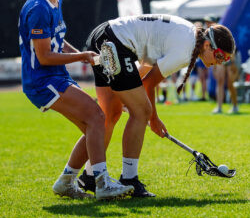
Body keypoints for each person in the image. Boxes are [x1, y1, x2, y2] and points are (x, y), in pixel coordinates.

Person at [18, 0, 133, 200]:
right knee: (96, 117)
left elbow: (58, 41)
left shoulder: (55, 1)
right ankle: (102, 183)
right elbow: (44, 56)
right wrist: (82, 57)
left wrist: (85, 54)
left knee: (94, 125)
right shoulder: (38, 7)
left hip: (55, 77)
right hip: (42, 81)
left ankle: (67, 181)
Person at [76, 15, 235, 196]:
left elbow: (144, 68)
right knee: (142, 112)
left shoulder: (189, 36)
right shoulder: (185, 50)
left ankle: (85, 176)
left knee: (110, 115)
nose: (219, 63)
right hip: (115, 42)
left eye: (225, 60)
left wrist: (126, 94)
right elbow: (148, 84)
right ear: (207, 46)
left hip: (104, 34)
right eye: (220, 56)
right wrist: (154, 119)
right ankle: (129, 179)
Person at [212, 50, 241, 114]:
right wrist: (214, 65)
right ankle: (219, 107)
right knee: (219, 81)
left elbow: (231, 45)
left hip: (231, 56)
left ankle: (235, 106)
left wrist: (233, 63)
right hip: (220, 57)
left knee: (230, 84)